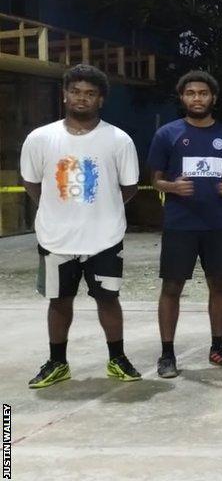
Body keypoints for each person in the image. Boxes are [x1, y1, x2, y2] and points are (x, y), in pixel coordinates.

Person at [21, 64, 142, 388]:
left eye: (90, 93)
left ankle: (117, 359)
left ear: (100, 99)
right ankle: (57, 362)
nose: (82, 98)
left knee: (108, 299)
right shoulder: (40, 138)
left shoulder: (119, 140)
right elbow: (32, 183)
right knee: (58, 302)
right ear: (64, 95)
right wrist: (58, 211)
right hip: (55, 239)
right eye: (75, 91)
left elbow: (128, 188)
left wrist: (103, 210)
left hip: (105, 239)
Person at [148, 71, 222, 378]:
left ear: (213, 98)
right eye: (191, 93)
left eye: (203, 93)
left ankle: (218, 347)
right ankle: (167, 354)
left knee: (218, 284)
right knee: (172, 286)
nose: (197, 98)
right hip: (180, 224)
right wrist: (172, 187)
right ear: (182, 98)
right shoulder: (168, 134)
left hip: (217, 224)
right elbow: (156, 180)